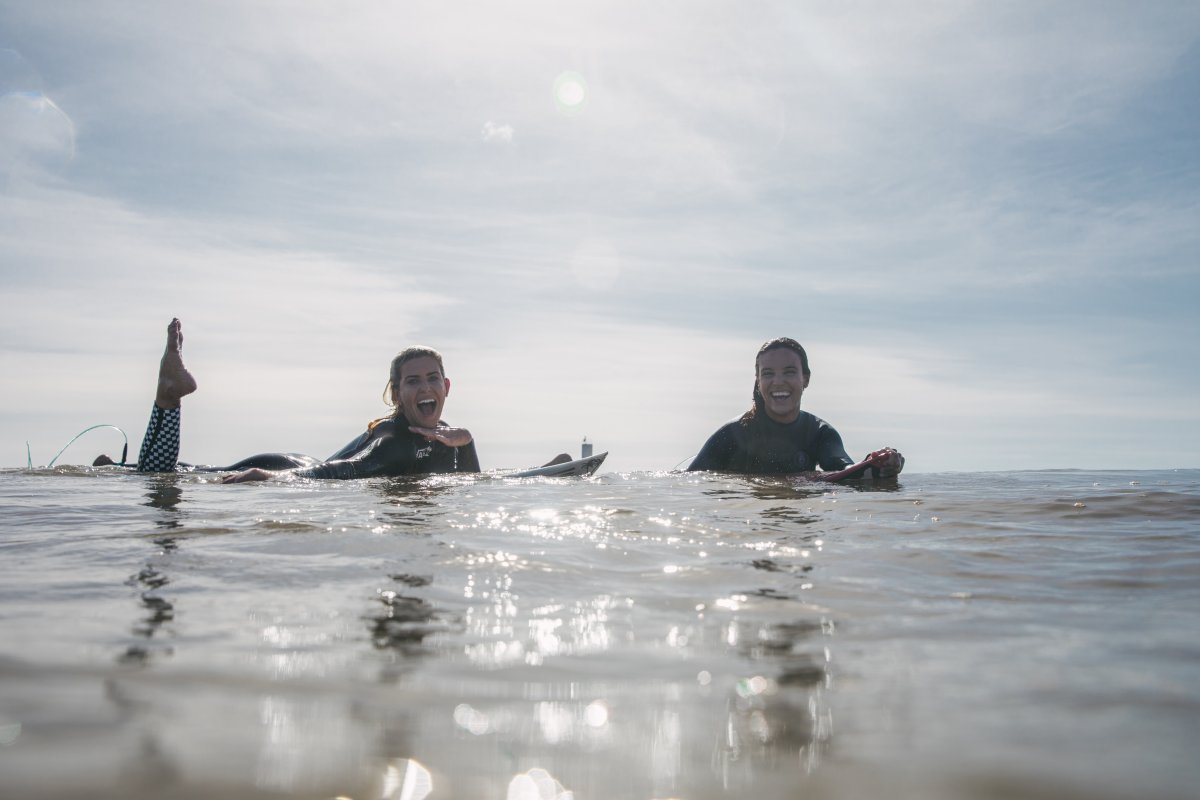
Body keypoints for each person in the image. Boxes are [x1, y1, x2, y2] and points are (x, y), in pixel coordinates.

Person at [111, 319, 481, 482]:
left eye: (432, 378)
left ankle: (116, 466)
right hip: (291, 467)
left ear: (446, 386)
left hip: (299, 461)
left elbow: (471, 485)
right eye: (413, 381)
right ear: (397, 393)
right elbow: (341, 472)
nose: (425, 387)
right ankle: (168, 398)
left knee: (187, 472)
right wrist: (274, 478)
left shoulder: (446, 435)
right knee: (162, 478)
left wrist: (467, 443)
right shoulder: (394, 439)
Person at [687, 337, 904, 481]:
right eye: (768, 373)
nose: (778, 381)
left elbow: (845, 470)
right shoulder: (733, 434)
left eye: (789, 372)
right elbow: (686, 485)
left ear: (805, 379)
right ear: (758, 381)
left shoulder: (819, 433)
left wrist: (881, 464)